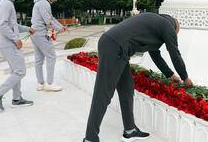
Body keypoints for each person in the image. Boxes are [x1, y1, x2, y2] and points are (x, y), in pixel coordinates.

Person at [83, 12, 193, 142]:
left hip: (116, 47)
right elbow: (175, 53)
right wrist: (185, 78)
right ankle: (90, 138)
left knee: (127, 87)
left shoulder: (156, 23)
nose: (173, 37)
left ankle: (130, 130)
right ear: (175, 28)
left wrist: (170, 74)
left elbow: (155, 55)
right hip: (115, 47)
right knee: (103, 93)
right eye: (175, 35)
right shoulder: (169, 28)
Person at [0, 0, 35, 111]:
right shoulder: (6, 4)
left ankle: (17, 99)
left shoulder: (6, 3)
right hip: (9, 44)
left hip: (8, 43)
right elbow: (2, 24)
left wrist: (27, 29)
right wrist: (16, 39)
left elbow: (11, 25)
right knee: (20, 71)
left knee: (16, 71)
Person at [30, 0, 67, 92]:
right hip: (41, 34)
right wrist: (60, 28)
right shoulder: (44, 3)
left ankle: (41, 83)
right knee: (51, 57)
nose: (56, 0)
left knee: (38, 60)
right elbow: (48, 21)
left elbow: (51, 18)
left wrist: (60, 26)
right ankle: (50, 83)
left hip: (34, 33)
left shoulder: (39, 2)